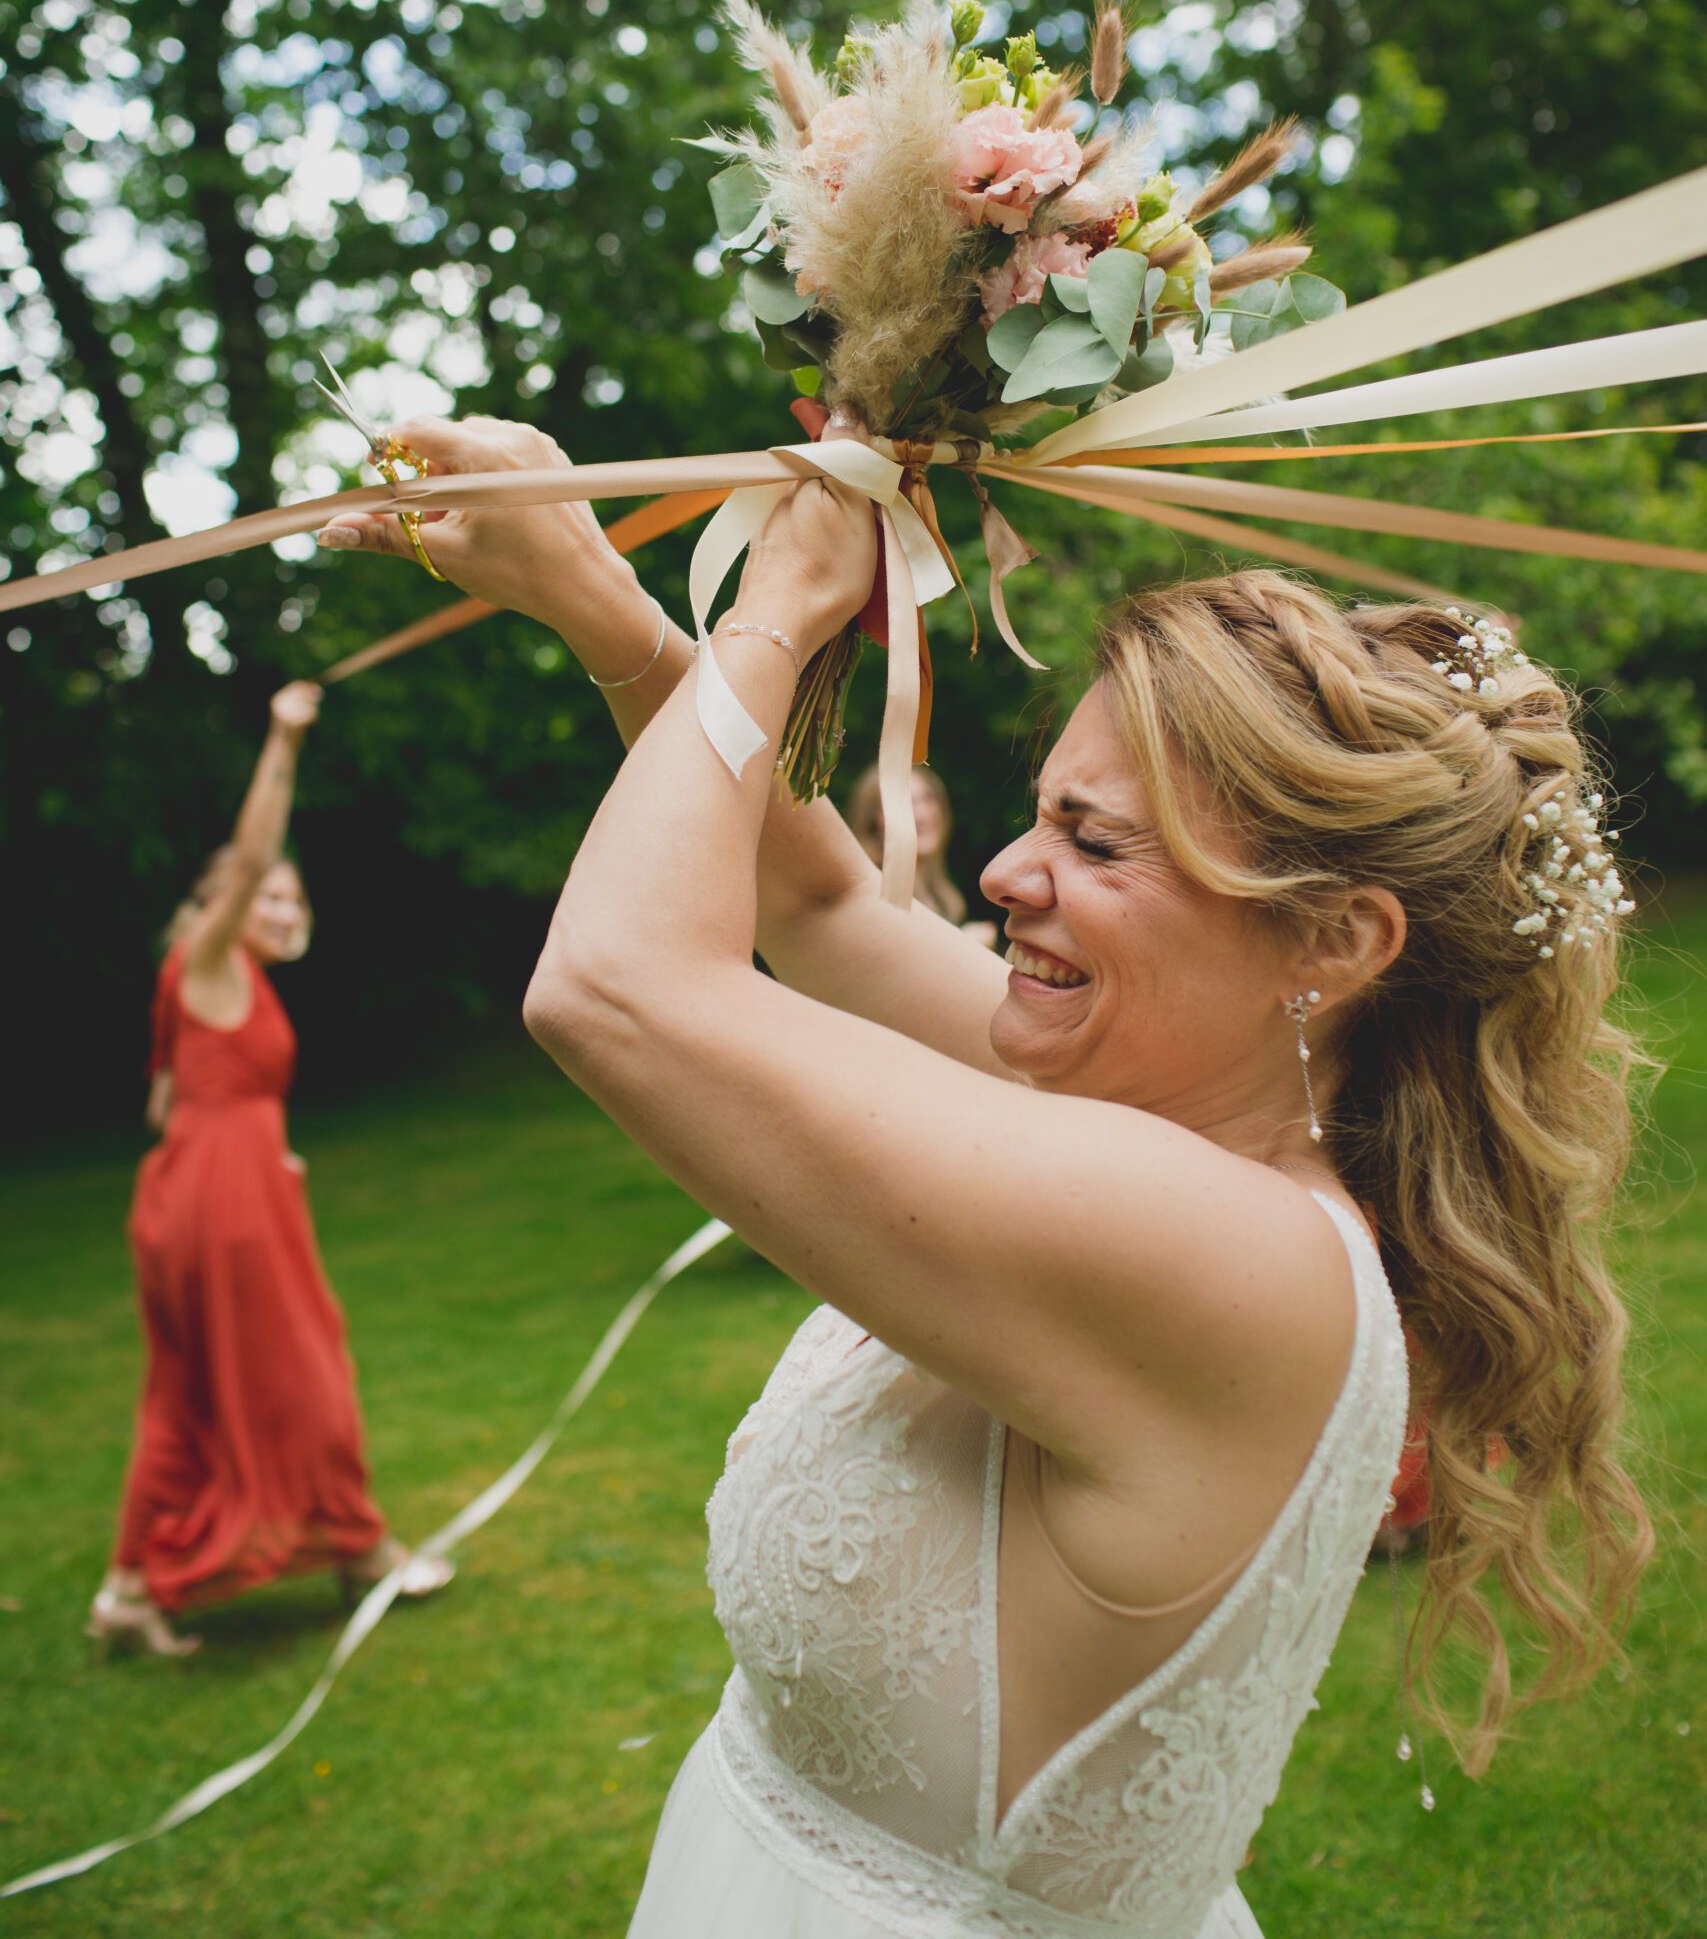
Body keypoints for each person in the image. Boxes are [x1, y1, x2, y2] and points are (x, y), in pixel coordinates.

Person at [320, 417, 1650, 1938]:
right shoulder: (1160, 1109)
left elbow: (616, 985)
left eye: (1093, 846)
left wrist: (782, 607)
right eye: (1039, 814)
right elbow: (814, 901)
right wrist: (597, 602)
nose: (1010, 875)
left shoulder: (1217, 1246)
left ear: (1332, 944)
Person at [88, 682, 451, 1656]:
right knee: (306, 1367)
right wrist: (284, 737)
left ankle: (126, 1591)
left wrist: (251, 1143)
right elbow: (251, 854)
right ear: (225, 906)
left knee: (181, 1393)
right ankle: (362, 1549)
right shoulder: (209, 958)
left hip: (194, 1191)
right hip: (228, 1203)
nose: (284, 907)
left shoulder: (205, 981)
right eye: (268, 897)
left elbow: (168, 1105)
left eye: (296, 896)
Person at [847, 760, 998, 946]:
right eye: (904, 802)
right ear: (874, 822)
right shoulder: (875, 892)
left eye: (928, 799)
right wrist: (966, 943)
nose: (922, 814)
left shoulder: (945, 897)